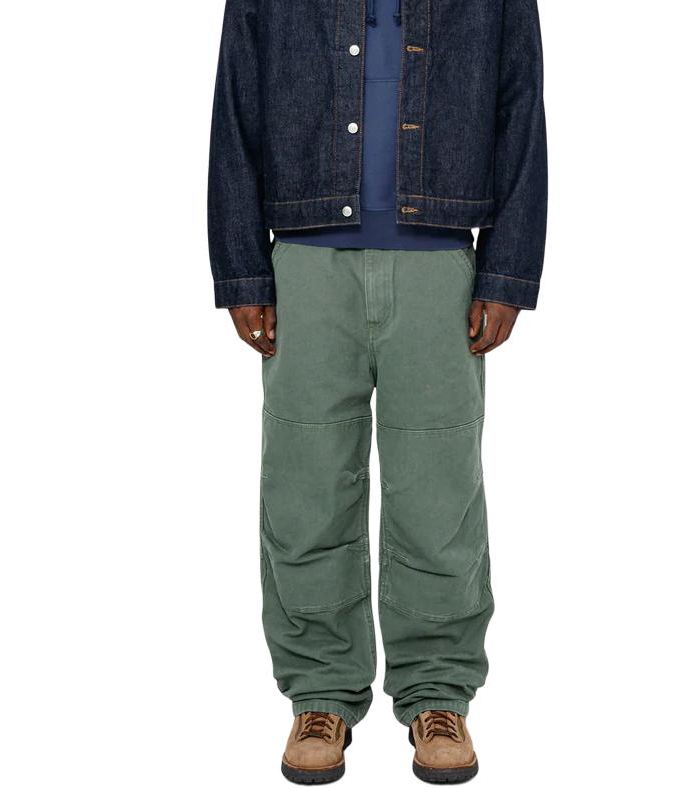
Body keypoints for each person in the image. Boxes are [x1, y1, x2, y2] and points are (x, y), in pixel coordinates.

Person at [207, 0, 546, 782]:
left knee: (439, 495)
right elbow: (236, 105)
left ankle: (439, 694)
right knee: (305, 489)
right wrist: (241, 269)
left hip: (440, 265)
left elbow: (520, 107)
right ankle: (319, 693)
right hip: (303, 263)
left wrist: (508, 271)